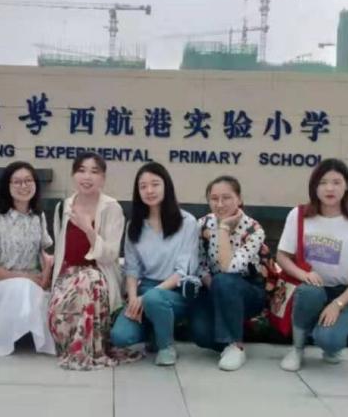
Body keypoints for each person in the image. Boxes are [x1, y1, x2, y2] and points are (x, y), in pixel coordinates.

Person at [277, 158, 348, 371]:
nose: (329, 188)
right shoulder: (299, 215)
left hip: (342, 294)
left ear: (347, 185)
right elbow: (282, 256)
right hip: (309, 288)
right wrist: (303, 275)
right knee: (310, 292)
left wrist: (338, 304)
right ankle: (297, 349)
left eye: (336, 182)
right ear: (314, 187)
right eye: (322, 182)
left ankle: (330, 344)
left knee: (329, 339)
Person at [48, 151, 141, 370]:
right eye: (81, 171)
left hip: (99, 275)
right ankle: (72, 345)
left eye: (94, 172)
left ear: (103, 178)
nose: (87, 177)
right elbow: (60, 250)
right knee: (63, 305)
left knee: (88, 281)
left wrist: (88, 229)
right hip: (67, 275)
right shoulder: (64, 207)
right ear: (73, 175)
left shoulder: (112, 208)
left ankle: (86, 350)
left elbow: (110, 254)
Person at [109, 162, 199, 366]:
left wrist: (148, 297)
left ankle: (166, 346)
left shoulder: (187, 222)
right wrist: (134, 299)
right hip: (146, 288)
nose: (149, 190)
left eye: (155, 184)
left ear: (166, 186)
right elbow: (132, 269)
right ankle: (154, 330)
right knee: (120, 337)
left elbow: (183, 271)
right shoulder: (134, 225)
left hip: (176, 291)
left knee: (153, 299)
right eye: (143, 186)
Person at [190, 175, 267, 371]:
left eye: (226, 198)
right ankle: (227, 339)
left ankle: (235, 345)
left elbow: (230, 267)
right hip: (213, 286)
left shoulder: (253, 230)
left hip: (247, 290)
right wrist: (211, 285)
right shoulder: (202, 224)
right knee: (201, 335)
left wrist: (223, 228)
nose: (220, 204)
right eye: (214, 198)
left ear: (239, 199)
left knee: (225, 280)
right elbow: (199, 262)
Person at [0, 161, 55, 356]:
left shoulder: (38, 217)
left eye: (28, 181)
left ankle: (24, 333)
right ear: (8, 186)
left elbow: (43, 255)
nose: (24, 186)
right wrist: (23, 277)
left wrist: (44, 276)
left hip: (32, 283)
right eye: (17, 182)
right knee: (21, 286)